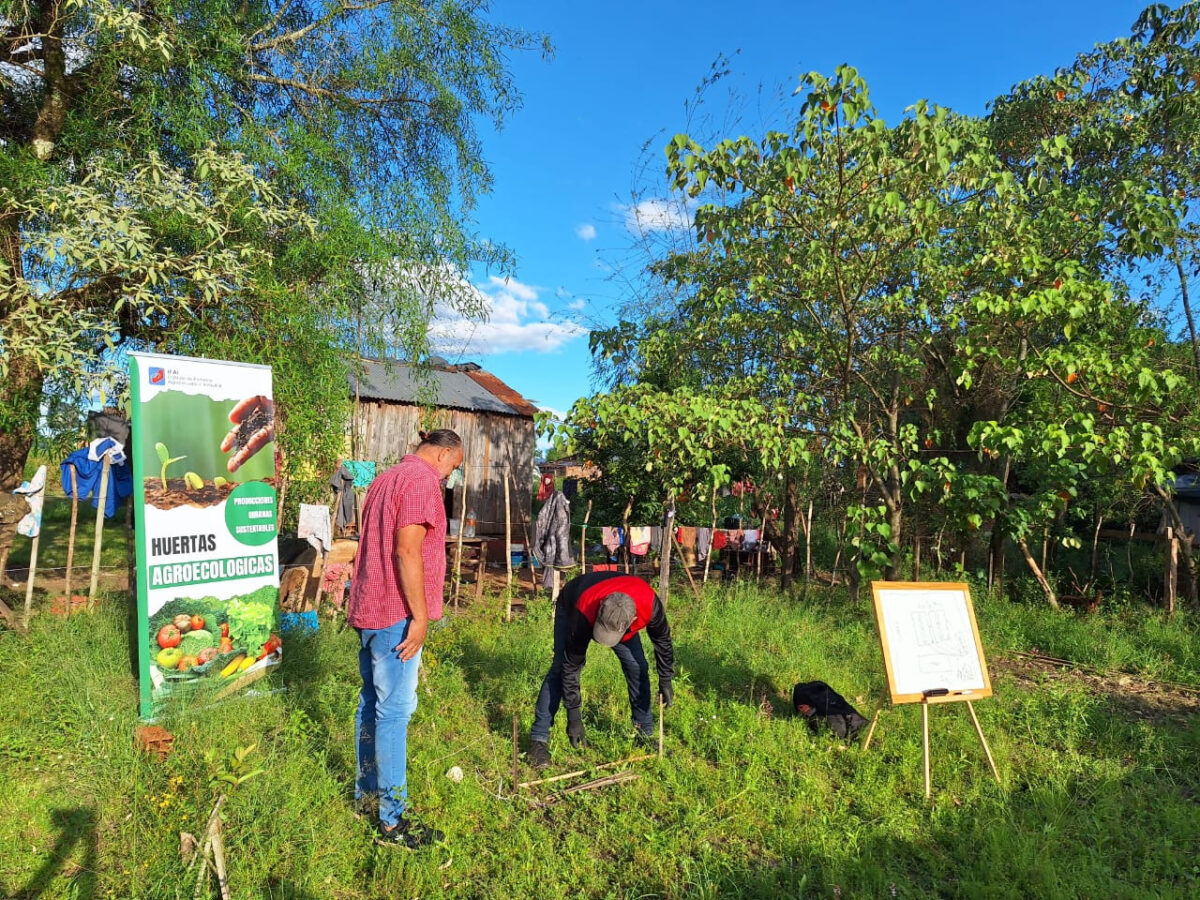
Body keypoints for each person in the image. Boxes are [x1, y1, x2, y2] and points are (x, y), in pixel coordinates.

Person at [347, 429, 463, 848]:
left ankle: (367, 795)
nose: (451, 476)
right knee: (394, 713)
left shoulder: (384, 479)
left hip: (368, 608)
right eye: (454, 466)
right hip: (396, 614)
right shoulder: (420, 482)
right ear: (444, 453)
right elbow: (406, 551)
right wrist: (419, 616)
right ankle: (392, 823)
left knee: (371, 705)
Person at [529, 572, 675, 769]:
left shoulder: (649, 604)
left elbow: (663, 641)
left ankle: (644, 733)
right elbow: (570, 667)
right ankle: (538, 740)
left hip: (622, 608)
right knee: (559, 668)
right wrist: (574, 716)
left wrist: (666, 677)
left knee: (637, 666)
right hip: (573, 602)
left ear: (632, 621)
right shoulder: (584, 610)